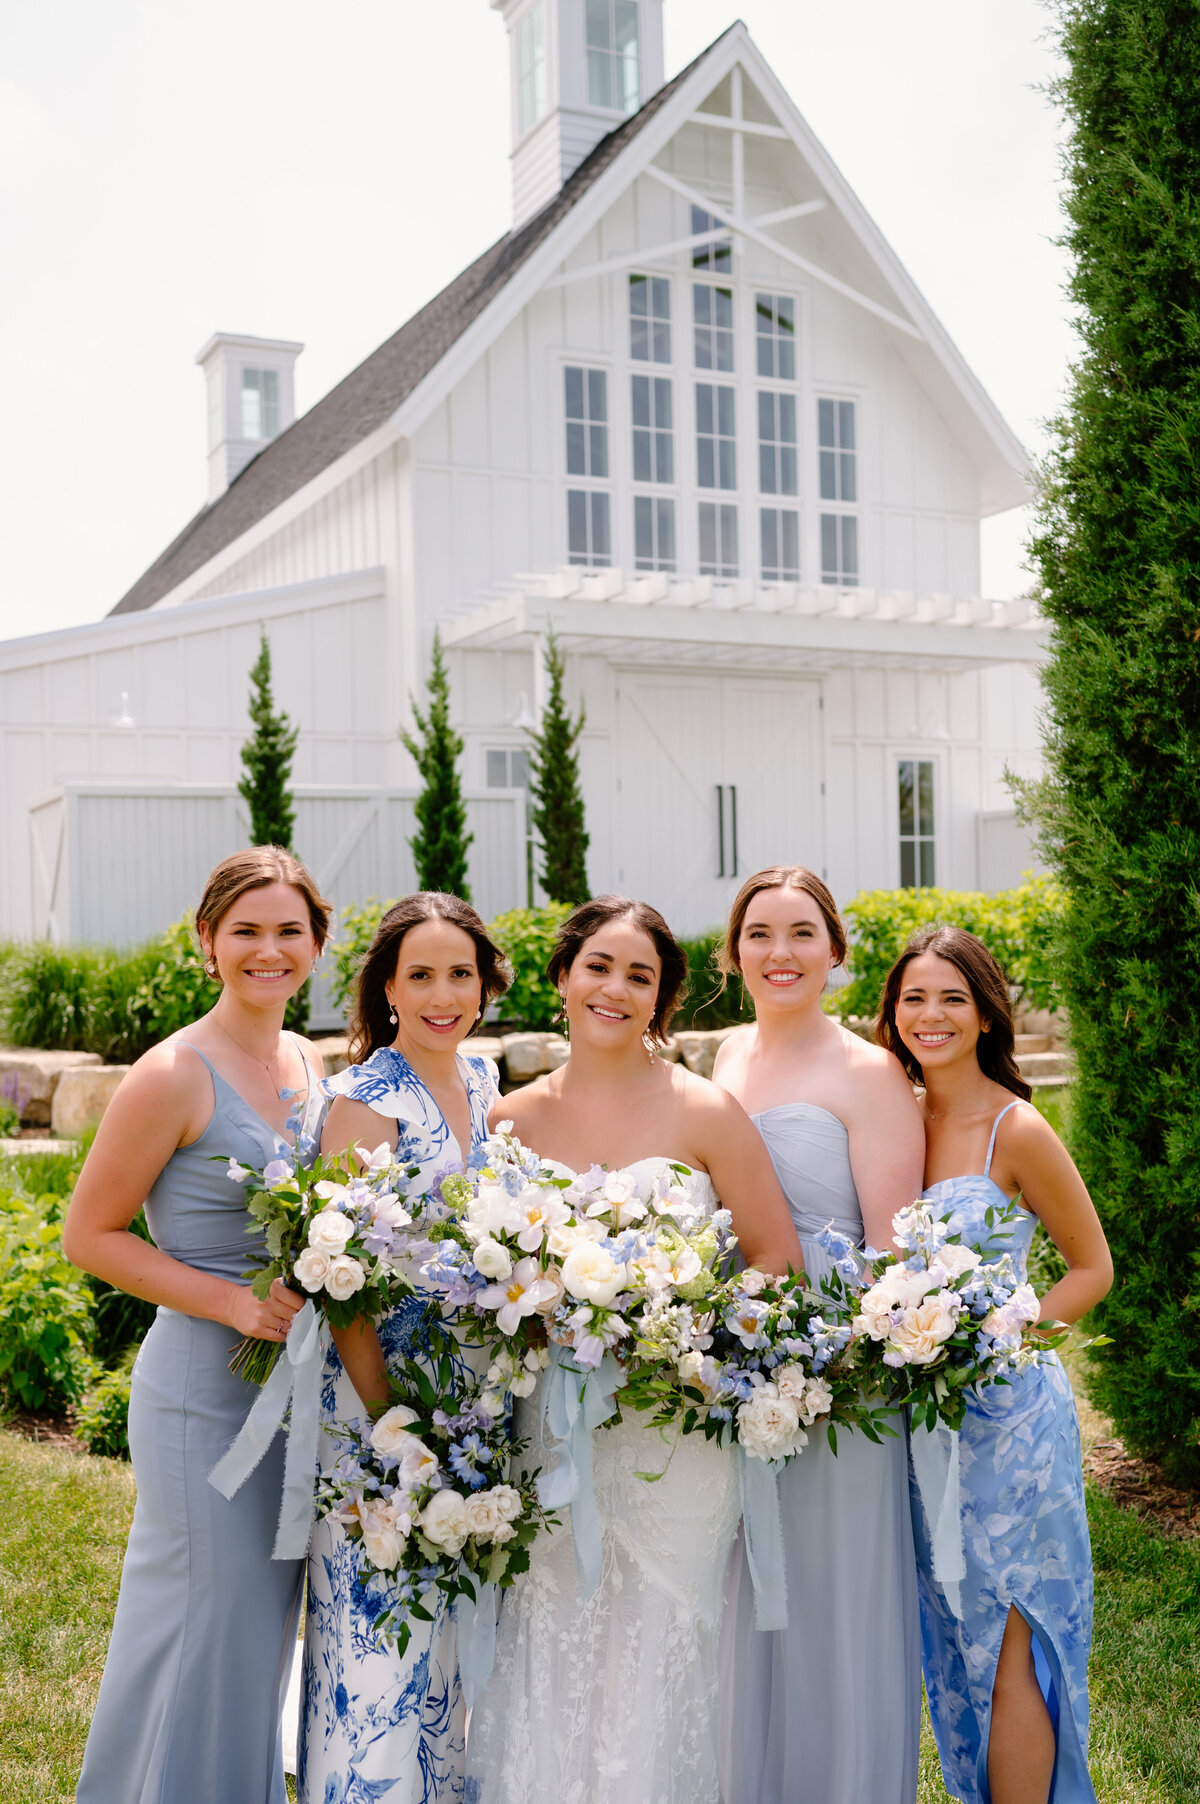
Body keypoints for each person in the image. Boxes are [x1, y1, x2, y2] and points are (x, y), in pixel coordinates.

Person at [465, 894, 802, 1804]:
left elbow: (775, 1258)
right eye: (599, 967)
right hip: (553, 1429)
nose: (615, 988)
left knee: (654, 1646)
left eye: (640, 976)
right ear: (562, 977)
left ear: (663, 1000)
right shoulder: (507, 1122)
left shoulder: (707, 1111)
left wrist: (686, 1328)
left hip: (672, 1435)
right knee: (551, 1637)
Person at [64, 845, 331, 1804]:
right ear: (207, 941)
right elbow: (87, 1235)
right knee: (196, 1622)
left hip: (302, 1396)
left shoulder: (310, 1061)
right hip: (203, 1396)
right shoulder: (171, 1073)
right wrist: (231, 1302)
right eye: (246, 931)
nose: (269, 949)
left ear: (315, 944)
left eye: (288, 931)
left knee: (257, 1636)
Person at [878, 925, 1112, 1804]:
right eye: (914, 998)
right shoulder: (891, 1113)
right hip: (919, 1423)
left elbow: (1092, 1269)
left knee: (1014, 1636)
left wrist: (997, 1337)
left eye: (952, 998)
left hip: (1011, 1424)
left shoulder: (1017, 1127)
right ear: (892, 1013)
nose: (931, 1015)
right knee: (954, 1636)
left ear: (984, 1015)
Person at [712, 865, 925, 1804]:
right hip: (726, 1363)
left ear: (836, 952)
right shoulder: (721, 1056)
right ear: (733, 953)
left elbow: (892, 1253)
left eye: (802, 933)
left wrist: (822, 1360)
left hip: (843, 1374)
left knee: (833, 1595)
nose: (779, 953)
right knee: (747, 1594)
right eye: (760, 934)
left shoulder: (870, 1071)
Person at [299, 892, 511, 1804]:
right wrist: (391, 1421)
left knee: (457, 1639)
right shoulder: (362, 1102)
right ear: (386, 986)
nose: (442, 993)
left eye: (459, 973)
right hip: (379, 1404)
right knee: (380, 1635)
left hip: (478, 1398)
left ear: (484, 982)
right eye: (419, 974)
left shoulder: (487, 1082)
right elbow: (344, 1287)